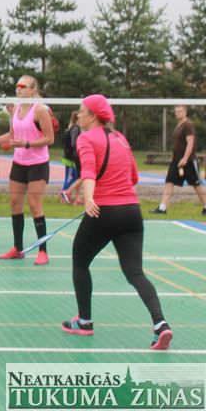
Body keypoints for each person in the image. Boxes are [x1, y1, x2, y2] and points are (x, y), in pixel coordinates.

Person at [61, 94, 172, 350]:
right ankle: (161, 324)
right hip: (132, 212)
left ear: (93, 116)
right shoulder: (120, 137)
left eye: (81, 111)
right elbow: (133, 177)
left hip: (103, 212)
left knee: (80, 262)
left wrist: (89, 197)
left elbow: (89, 171)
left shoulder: (86, 138)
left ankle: (84, 322)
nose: (78, 115)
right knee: (135, 272)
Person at [0, 75, 55, 265]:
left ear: (33, 90)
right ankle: (17, 249)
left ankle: (43, 251)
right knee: (15, 204)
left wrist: (27, 143)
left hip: (38, 163)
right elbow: (11, 135)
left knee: (35, 205)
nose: (19, 89)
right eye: (17, 86)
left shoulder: (40, 110)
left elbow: (50, 138)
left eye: (23, 86)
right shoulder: (15, 109)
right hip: (19, 163)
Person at [151, 105, 206, 216]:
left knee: (196, 185)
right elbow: (177, 144)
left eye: (180, 111)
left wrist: (185, 159)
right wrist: (173, 157)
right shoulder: (178, 126)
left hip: (189, 161)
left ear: (185, 112)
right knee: (169, 182)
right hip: (176, 161)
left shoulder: (188, 125)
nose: (177, 113)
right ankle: (162, 208)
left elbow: (190, 142)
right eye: (176, 111)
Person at [60, 111, 82, 204]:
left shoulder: (73, 127)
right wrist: (80, 148)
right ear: (78, 118)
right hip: (69, 157)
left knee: (75, 177)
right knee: (70, 178)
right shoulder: (76, 128)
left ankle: (71, 196)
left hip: (70, 156)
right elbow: (73, 143)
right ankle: (63, 196)